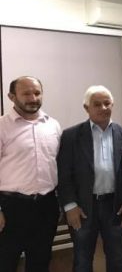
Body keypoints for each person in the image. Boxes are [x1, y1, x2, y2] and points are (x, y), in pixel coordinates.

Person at [57, 85, 122, 271]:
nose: (103, 108)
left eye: (107, 103)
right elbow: (64, 174)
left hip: (115, 206)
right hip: (83, 207)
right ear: (87, 108)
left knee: (117, 259)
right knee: (82, 260)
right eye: (97, 104)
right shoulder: (71, 136)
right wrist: (70, 206)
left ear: (112, 105)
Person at [0, 76, 62, 272]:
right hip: (11, 208)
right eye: (26, 93)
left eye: (36, 93)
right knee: (6, 261)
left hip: (46, 206)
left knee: (41, 261)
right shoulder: (2, 126)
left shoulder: (53, 125)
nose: (33, 98)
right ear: (11, 96)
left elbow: (58, 164)